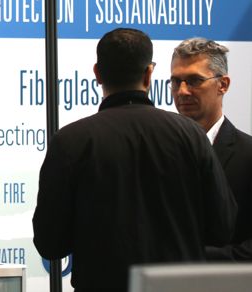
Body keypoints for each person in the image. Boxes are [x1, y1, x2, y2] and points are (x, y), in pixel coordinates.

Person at [33, 28, 236, 292]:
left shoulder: (70, 141)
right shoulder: (191, 135)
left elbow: (50, 243)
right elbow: (222, 228)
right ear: (149, 73)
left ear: (97, 73)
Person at [171, 37, 252, 261]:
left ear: (223, 85)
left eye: (194, 81)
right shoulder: (158, 153)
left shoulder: (248, 155)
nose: (182, 91)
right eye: (176, 82)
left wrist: (190, 258)